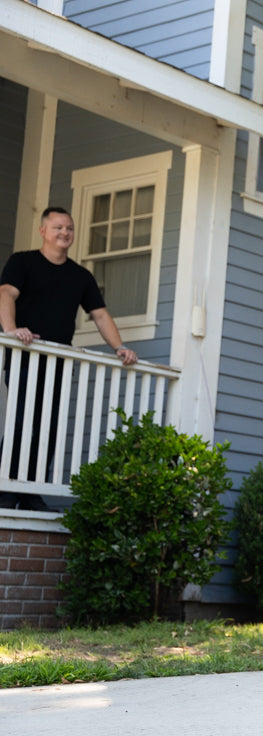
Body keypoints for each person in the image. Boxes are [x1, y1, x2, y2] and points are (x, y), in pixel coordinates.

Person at [0, 207, 138, 510]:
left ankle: (30, 492)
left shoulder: (81, 276)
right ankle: (6, 491)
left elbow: (100, 315)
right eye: (59, 227)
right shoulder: (22, 262)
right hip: (26, 356)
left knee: (48, 426)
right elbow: (6, 294)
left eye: (70, 229)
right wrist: (11, 331)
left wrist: (119, 348)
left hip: (58, 362)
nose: (65, 233)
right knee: (23, 422)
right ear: (43, 231)